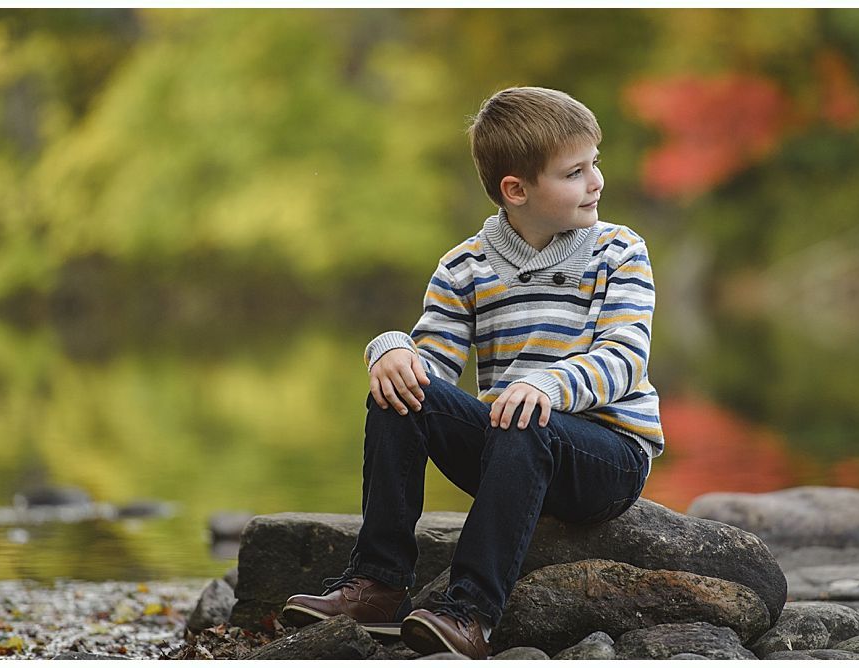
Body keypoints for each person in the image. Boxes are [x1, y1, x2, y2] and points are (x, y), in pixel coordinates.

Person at [282, 86, 664, 659]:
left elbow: (625, 354)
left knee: (520, 416)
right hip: (509, 448)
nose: (596, 182)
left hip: (605, 454)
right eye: (575, 172)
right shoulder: (465, 266)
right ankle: (379, 584)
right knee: (400, 392)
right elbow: (431, 366)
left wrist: (548, 384)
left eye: (595, 164)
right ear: (517, 189)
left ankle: (470, 614)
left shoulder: (619, 251)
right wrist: (389, 349)